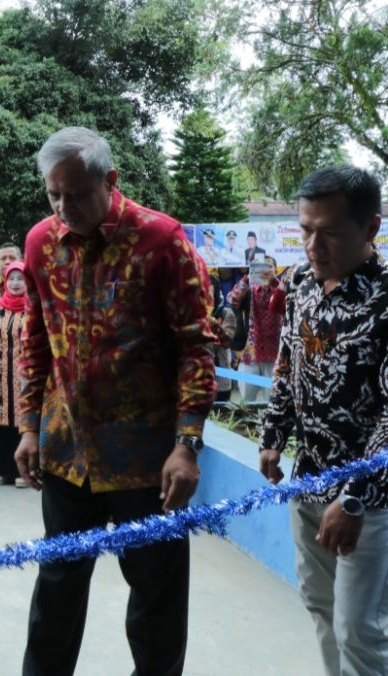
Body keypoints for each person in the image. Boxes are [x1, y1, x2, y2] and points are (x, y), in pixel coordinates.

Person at [15, 127, 216, 676]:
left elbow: (196, 346)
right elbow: (35, 337)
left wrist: (187, 445)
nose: (64, 207)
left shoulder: (162, 240)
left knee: (155, 598)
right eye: (54, 195)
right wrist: (29, 426)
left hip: (147, 459)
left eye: (76, 193)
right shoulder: (39, 242)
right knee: (56, 588)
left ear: (111, 180)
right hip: (66, 450)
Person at [259, 166, 388, 676]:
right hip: (307, 482)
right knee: (322, 609)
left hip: (369, 500)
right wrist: (273, 434)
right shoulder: (300, 285)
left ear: (370, 228)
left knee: (359, 627)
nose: (313, 244)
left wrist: (354, 495)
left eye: (330, 231)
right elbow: (289, 363)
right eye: (305, 229)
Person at [0, 262, 28, 487]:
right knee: (1, 422)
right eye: (12, 279)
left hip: (26, 374)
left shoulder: (34, 307)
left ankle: (25, 473)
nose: (16, 283)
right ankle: (4, 471)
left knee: (24, 422)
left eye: (21, 279)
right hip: (1, 373)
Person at [227, 256, 283, 403]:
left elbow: (288, 303)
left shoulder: (281, 289)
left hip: (276, 358)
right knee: (246, 401)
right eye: (259, 268)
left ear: (275, 271)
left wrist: (274, 283)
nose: (264, 272)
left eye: (268, 268)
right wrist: (246, 280)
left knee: (272, 403)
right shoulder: (249, 289)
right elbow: (233, 300)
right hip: (250, 356)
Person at [208, 275, 237, 403]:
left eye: (209, 292)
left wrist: (213, 324)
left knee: (222, 420)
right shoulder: (192, 316)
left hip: (221, 384)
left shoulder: (226, 314)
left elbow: (226, 342)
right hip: (198, 383)